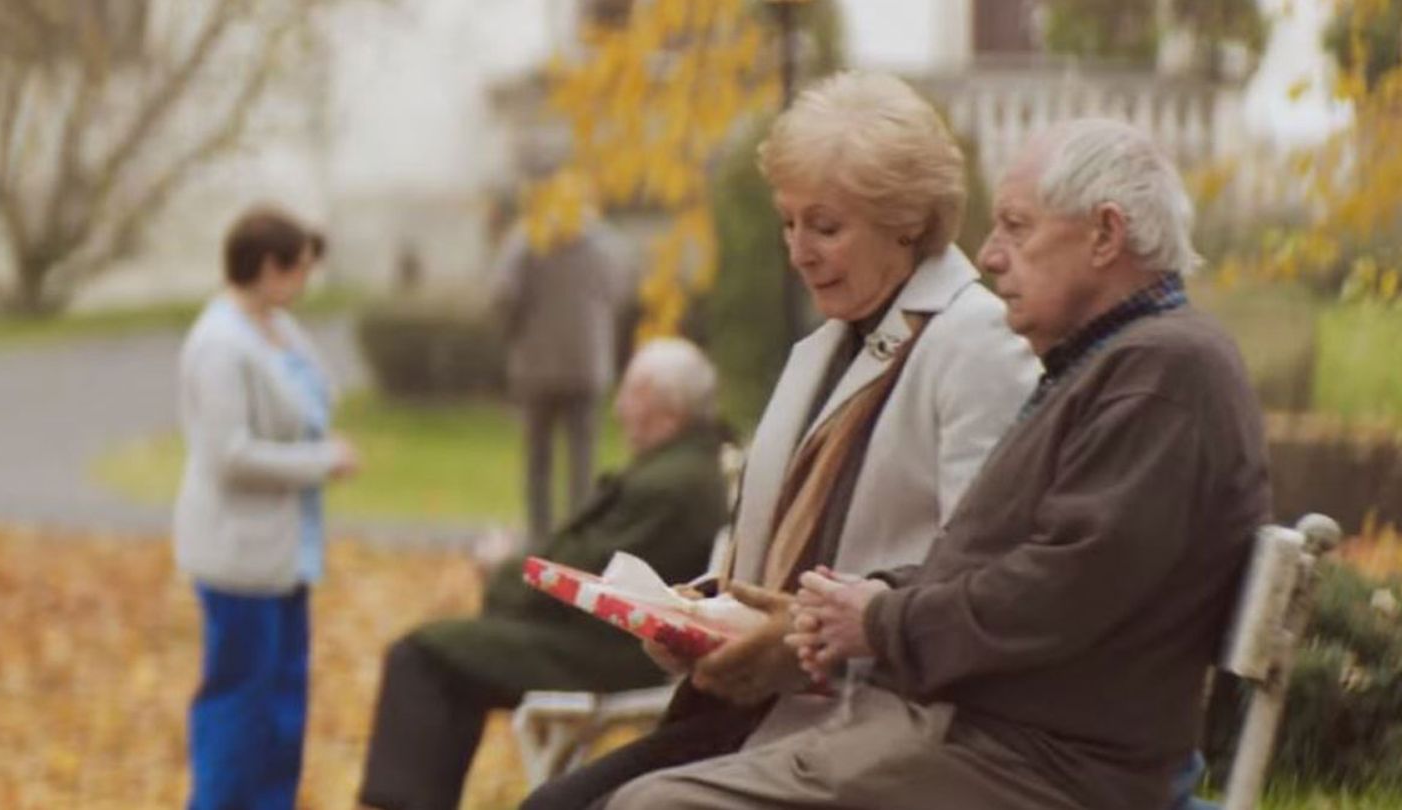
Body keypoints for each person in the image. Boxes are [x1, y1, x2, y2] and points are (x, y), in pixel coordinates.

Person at [610, 119, 1273, 810]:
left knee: (655, 806)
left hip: (1045, 767)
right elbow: (1003, 561)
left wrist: (880, 620)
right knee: (641, 797)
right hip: (992, 741)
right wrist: (841, 606)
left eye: (1016, 227)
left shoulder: (1161, 374)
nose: (988, 255)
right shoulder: (1111, 366)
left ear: (1105, 236)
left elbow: (1059, 591)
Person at [523, 70, 1038, 810]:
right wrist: (693, 615)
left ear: (906, 221)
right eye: (788, 222)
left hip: (879, 723)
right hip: (771, 709)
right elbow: (761, 538)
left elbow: (977, 574)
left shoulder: (976, 344)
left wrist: (796, 645)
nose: (798, 250)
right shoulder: (827, 346)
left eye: (825, 227)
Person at [356, 338, 729, 810]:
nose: (618, 408)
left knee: (421, 656)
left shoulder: (673, 484)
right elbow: (597, 560)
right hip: (605, 640)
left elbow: (589, 574)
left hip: (605, 651)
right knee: (447, 660)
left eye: (633, 394)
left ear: (669, 412)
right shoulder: (682, 470)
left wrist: (502, 571)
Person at [173, 206, 359, 810]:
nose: (305, 282)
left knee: (282, 709)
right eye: (299, 268)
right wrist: (320, 461)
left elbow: (315, 396)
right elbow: (228, 455)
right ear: (267, 267)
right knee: (238, 707)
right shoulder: (219, 344)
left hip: (286, 552)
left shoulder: (275, 326)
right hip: (239, 554)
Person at [492, 174, 629, 550]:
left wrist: (513, 333)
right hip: (587, 363)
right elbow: (619, 291)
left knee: (538, 459)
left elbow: (504, 295)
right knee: (583, 457)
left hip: (536, 365)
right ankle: (578, 538)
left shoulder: (526, 240)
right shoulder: (604, 242)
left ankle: (539, 536)